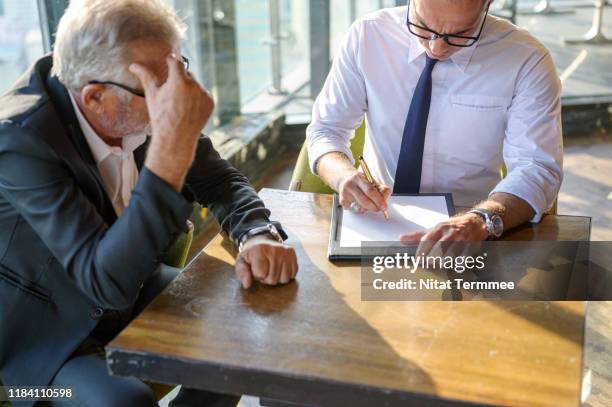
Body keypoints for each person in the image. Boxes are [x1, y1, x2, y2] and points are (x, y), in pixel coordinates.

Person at [0, 0, 298, 405]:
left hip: (130, 288)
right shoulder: (20, 141)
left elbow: (219, 180)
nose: (178, 95)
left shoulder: (132, 96)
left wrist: (257, 233)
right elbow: (104, 284)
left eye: (179, 69)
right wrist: (170, 155)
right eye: (159, 87)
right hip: (41, 339)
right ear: (94, 98)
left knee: (237, 332)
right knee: (125, 402)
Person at [307, 0, 563, 244]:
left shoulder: (527, 60)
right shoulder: (367, 36)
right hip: (378, 220)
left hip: (471, 226)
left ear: (488, 4)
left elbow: (537, 168)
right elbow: (326, 129)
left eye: (461, 33)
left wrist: (481, 220)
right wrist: (344, 177)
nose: (436, 48)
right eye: (423, 26)